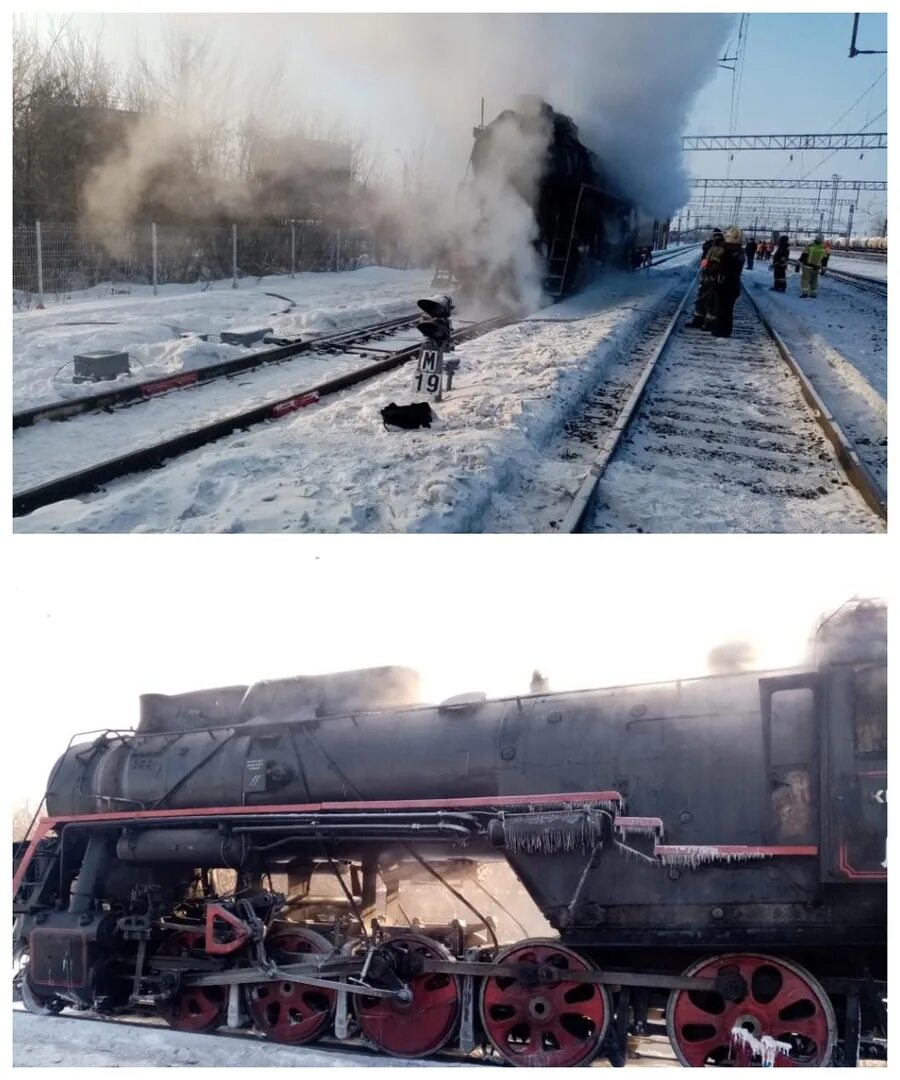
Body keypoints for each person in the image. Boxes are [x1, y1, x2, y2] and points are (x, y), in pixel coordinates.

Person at [707, 226, 745, 337]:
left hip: (724, 284)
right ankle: (724, 330)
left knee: (722, 308)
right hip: (733, 285)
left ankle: (722, 331)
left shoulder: (728, 251)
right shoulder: (740, 251)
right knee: (727, 309)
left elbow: (721, 266)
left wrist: (711, 270)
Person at [687, 228, 724, 328]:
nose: (715, 238)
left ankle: (705, 322)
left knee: (708, 300)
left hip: (712, 276)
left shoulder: (718, 247)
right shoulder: (717, 246)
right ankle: (704, 321)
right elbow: (705, 259)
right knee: (707, 300)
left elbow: (708, 260)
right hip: (711, 276)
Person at [798, 234, 829, 298]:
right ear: (822, 240)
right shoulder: (824, 249)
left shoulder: (810, 246)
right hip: (816, 268)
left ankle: (805, 293)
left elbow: (804, 256)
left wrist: (799, 262)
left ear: (815, 239)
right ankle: (813, 294)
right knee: (814, 281)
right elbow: (825, 261)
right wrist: (823, 269)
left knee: (805, 279)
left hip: (807, 266)